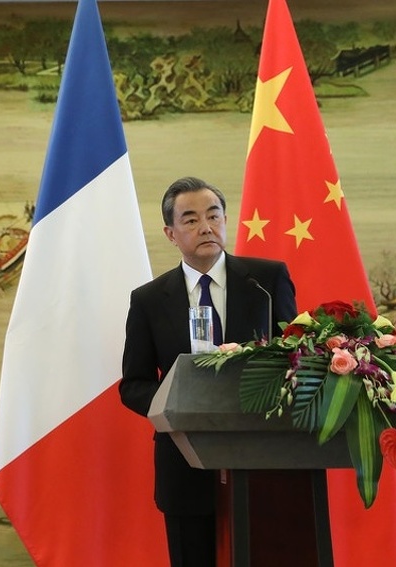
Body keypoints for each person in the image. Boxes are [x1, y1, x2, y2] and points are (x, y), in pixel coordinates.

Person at [118, 176, 297, 567]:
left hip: (262, 458)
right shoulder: (149, 300)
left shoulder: (265, 281)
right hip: (184, 460)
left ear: (226, 220)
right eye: (191, 219)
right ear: (171, 233)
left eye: (213, 215)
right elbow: (133, 385)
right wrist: (179, 406)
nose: (206, 227)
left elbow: (297, 358)